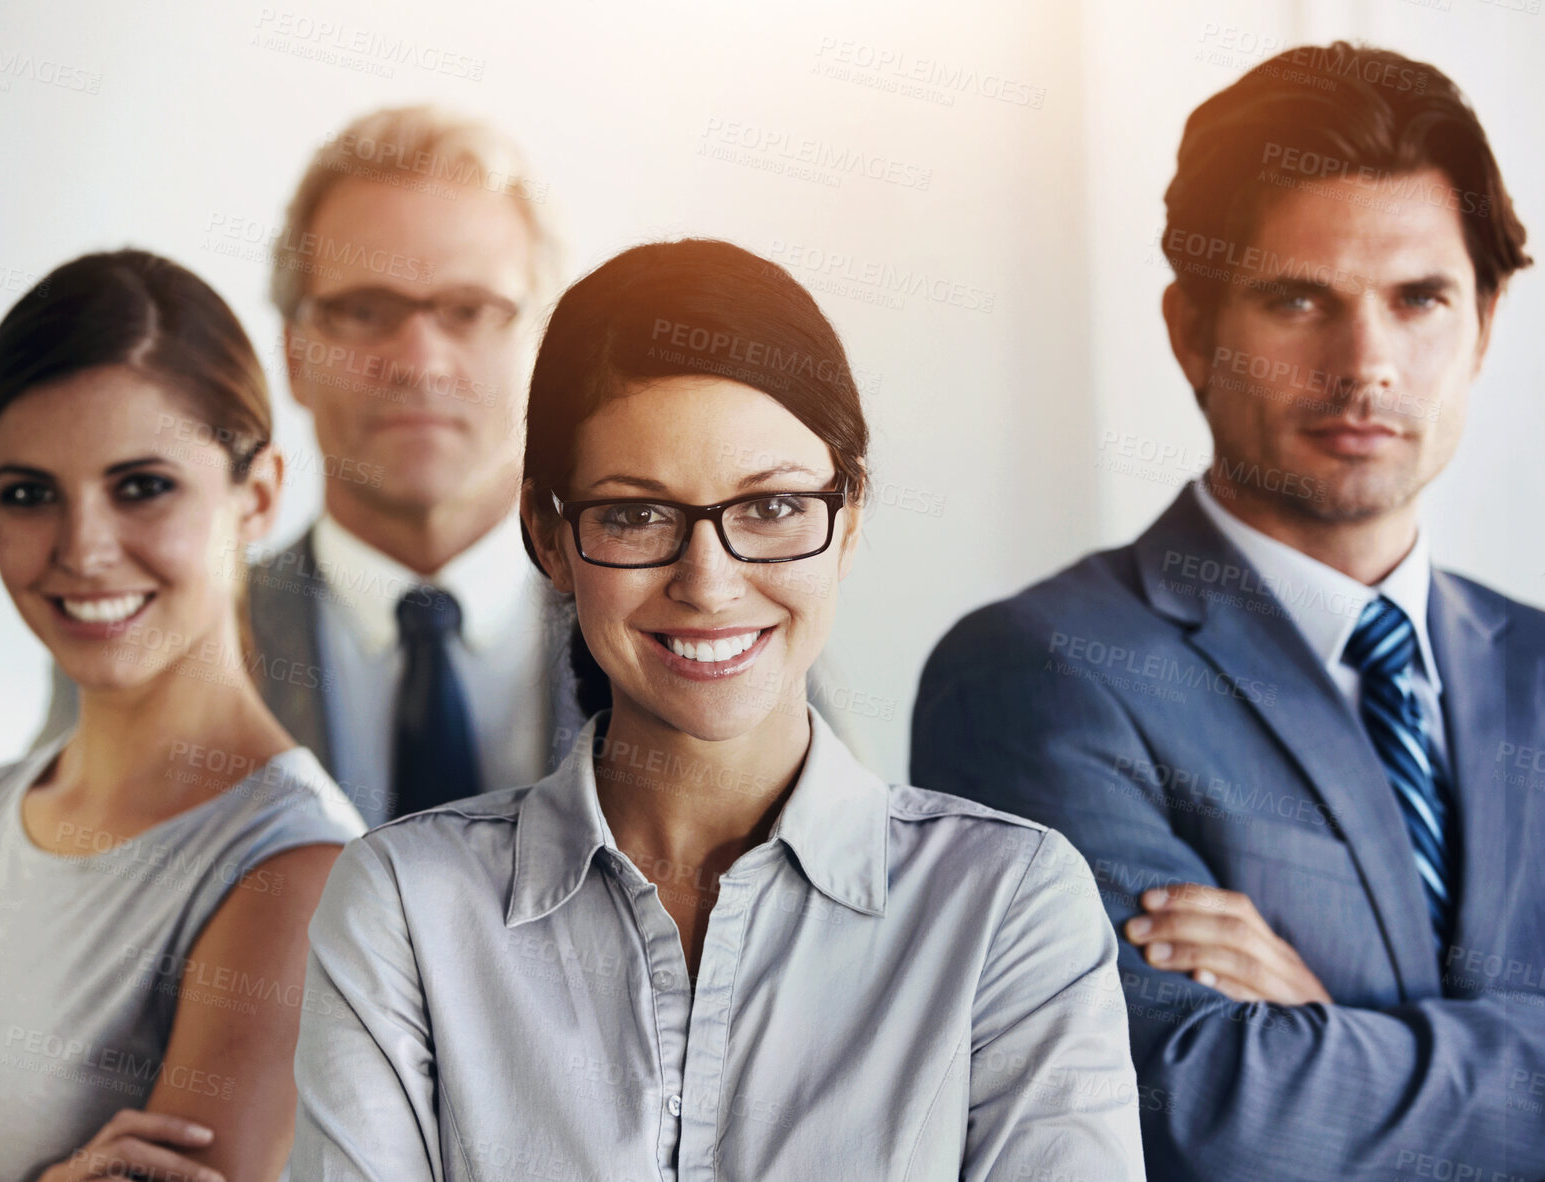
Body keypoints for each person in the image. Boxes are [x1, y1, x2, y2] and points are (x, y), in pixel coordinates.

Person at [290, 239, 1146, 1180]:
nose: (709, 583)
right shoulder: (406, 905)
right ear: (548, 533)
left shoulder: (1008, 905)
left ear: (848, 516)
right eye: (635, 515)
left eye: (772, 507)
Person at [912, 42, 1544, 1182]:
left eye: (1420, 300)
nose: (1368, 365)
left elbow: (1288, 1094)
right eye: (1301, 299)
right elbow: (1203, 1110)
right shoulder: (1038, 674)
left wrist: (1321, 1032)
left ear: (1486, 326)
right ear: (1191, 330)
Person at [0, 250, 364, 1182]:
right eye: (28, 494)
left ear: (256, 495)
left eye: (141, 486)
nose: (82, 549)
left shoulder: (301, 882)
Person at [34, 106, 582, 826]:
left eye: (471, 310)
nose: (419, 363)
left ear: (545, 349)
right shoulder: (151, 638)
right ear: (293, 358)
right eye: (363, 311)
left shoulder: (668, 626)